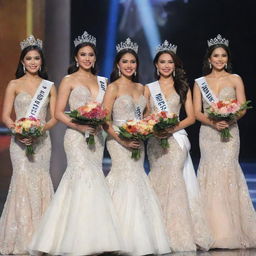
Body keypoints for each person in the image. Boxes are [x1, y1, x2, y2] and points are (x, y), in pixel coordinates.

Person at [28, 31, 123, 255]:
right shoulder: (69, 80)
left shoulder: (103, 82)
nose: (87, 58)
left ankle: (97, 237)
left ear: (94, 58)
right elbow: (60, 113)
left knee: (95, 178)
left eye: (91, 54)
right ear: (76, 57)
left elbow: (106, 111)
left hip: (96, 137)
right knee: (79, 177)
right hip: (76, 136)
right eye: (83, 54)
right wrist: (80, 126)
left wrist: (99, 122)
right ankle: (71, 239)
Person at [103, 38, 171, 256]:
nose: (129, 65)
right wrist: (123, 140)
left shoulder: (142, 88)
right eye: (125, 61)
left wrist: (150, 127)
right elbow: (105, 121)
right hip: (118, 140)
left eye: (133, 62)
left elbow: (148, 115)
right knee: (122, 179)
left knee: (137, 178)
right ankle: (113, 237)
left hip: (138, 140)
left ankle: (139, 237)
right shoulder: (112, 87)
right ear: (118, 65)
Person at [144, 40, 212, 252]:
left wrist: (170, 129)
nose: (166, 65)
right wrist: (154, 126)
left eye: (170, 62)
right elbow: (145, 115)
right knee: (157, 180)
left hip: (176, 140)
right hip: (156, 141)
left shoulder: (182, 86)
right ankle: (157, 233)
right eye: (162, 62)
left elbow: (191, 117)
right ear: (156, 65)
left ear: (175, 65)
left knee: (174, 180)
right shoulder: (148, 89)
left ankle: (176, 234)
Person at [193, 34, 256, 249]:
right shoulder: (200, 83)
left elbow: (243, 106)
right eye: (216, 56)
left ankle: (232, 229)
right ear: (209, 59)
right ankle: (209, 229)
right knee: (210, 173)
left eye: (223, 56)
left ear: (227, 58)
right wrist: (214, 122)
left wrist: (230, 118)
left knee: (228, 171)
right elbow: (196, 112)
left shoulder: (235, 78)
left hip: (230, 134)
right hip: (208, 134)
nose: (219, 59)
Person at [0, 35, 57, 254]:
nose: (33, 62)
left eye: (36, 58)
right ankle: (22, 239)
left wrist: (40, 130)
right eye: (29, 58)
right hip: (19, 143)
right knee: (22, 181)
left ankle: (43, 239)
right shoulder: (14, 84)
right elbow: (6, 116)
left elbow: (53, 117)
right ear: (22, 61)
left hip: (42, 142)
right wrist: (18, 131)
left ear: (41, 61)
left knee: (41, 182)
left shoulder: (49, 86)